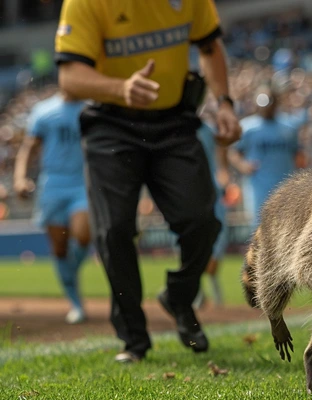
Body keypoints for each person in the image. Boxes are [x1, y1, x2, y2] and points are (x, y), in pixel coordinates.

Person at [55, 0, 242, 363]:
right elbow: (70, 77)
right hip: (111, 124)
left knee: (202, 221)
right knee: (114, 230)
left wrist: (224, 103)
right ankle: (134, 339)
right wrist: (120, 87)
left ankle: (179, 297)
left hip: (174, 120)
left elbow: (209, 46)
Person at [13, 91, 91, 324]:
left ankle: (72, 271)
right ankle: (75, 303)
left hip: (82, 183)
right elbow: (29, 148)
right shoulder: (44, 111)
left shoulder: (90, 108)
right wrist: (20, 178)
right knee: (59, 249)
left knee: (83, 235)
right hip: (53, 186)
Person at [230, 87, 305, 229]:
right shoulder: (247, 127)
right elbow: (234, 153)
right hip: (258, 183)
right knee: (259, 226)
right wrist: (243, 165)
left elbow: (298, 153)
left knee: (286, 225)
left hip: (285, 183)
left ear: (276, 103)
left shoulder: (289, 127)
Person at [193, 106, 230, 308]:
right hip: (190, 194)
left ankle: (210, 288)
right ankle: (198, 291)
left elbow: (221, 152)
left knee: (217, 238)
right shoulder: (179, 130)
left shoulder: (207, 129)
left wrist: (223, 173)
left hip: (212, 192)